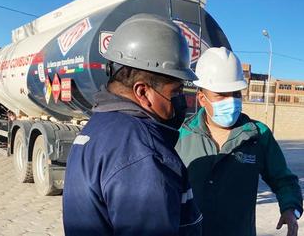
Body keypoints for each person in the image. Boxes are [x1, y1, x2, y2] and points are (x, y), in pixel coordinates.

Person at [63, 14, 202, 236]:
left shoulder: (97, 127)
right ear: (142, 91)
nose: (181, 100)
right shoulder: (145, 154)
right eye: (175, 91)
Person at [175, 47, 303, 236]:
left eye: (236, 94)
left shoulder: (258, 135)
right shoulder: (182, 135)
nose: (231, 101)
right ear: (202, 99)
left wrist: (290, 208)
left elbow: (283, 179)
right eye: (221, 95)